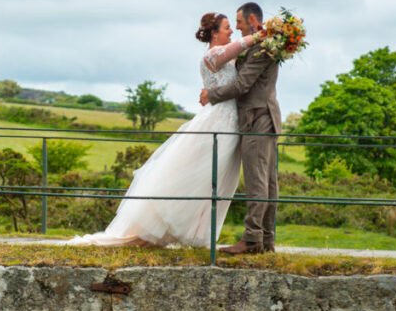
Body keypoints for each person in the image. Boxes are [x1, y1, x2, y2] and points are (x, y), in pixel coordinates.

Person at [71, 13, 260, 247]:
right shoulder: (212, 56)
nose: (231, 31)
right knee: (201, 177)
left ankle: (197, 233)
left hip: (230, 123)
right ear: (214, 33)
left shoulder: (227, 58)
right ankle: (171, 226)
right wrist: (267, 33)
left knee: (219, 180)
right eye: (227, 27)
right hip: (218, 122)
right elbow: (243, 44)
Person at [201, 2, 281, 254]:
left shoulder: (261, 49)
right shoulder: (261, 45)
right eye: (232, 23)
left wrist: (210, 95)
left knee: (259, 181)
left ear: (253, 20)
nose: (236, 26)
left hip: (257, 118)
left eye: (239, 21)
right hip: (260, 117)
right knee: (267, 182)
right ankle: (265, 241)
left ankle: (252, 240)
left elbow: (242, 85)